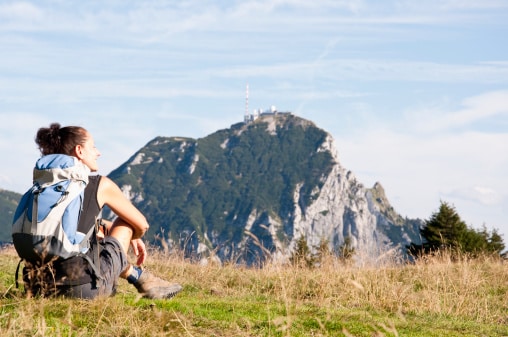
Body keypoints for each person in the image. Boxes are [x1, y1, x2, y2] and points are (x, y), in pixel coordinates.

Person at [23, 122, 182, 299]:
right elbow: (142, 225)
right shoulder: (99, 184)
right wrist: (131, 238)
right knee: (125, 221)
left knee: (95, 231)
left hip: (36, 287)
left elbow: (66, 226)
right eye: (93, 146)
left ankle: (141, 278)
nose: (98, 153)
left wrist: (102, 228)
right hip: (83, 290)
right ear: (80, 151)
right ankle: (141, 278)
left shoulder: (42, 188)